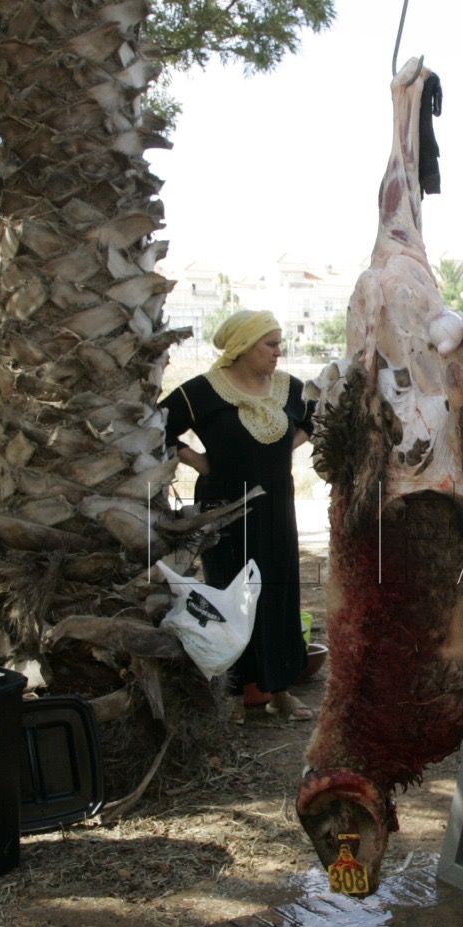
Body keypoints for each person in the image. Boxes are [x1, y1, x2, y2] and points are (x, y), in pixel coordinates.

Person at [162, 309, 316, 723]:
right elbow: (159, 424)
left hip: (276, 506)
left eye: (279, 344)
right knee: (230, 594)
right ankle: (232, 697)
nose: (278, 353)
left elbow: (316, 420)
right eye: (270, 344)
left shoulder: (289, 389)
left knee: (278, 593)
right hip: (225, 511)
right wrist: (197, 461)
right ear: (243, 347)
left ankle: (279, 691)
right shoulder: (204, 392)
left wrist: (286, 449)